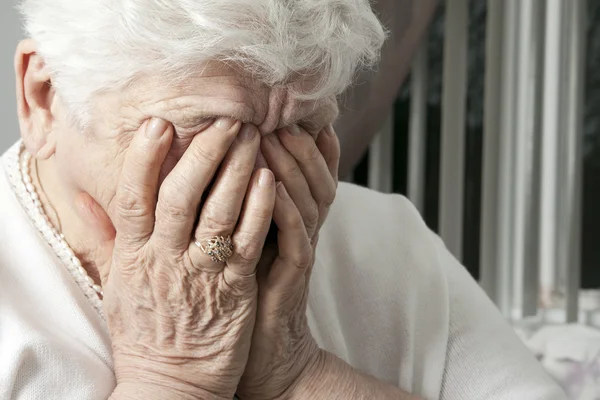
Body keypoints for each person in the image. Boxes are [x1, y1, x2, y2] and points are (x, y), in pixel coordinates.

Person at [0, 1, 567, 399]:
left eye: (299, 130)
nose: (258, 184)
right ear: (44, 98)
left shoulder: (389, 241)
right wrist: (172, 377)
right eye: (209, 132)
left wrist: (302, 377)